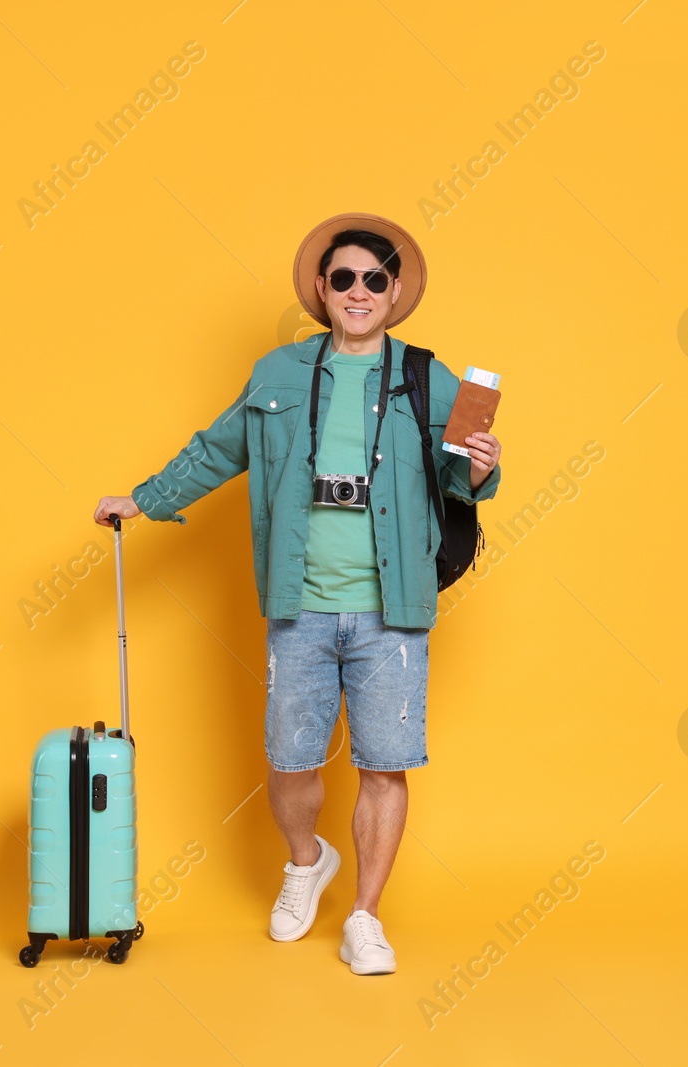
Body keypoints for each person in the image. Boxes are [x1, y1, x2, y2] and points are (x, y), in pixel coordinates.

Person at [93, 212, 502, 975]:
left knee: (386, 763)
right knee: (291, 758)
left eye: (373, 279)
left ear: (394, 290)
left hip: (394, 606)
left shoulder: (426, 375)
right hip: (301, 602)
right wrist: (143, 499)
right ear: (321, 287)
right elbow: (218, 448)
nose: (357, 290)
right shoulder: (277, 373)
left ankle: (365, 917)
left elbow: (459, 478)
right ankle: (304, 862)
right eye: (342, 277)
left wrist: (479, 465)